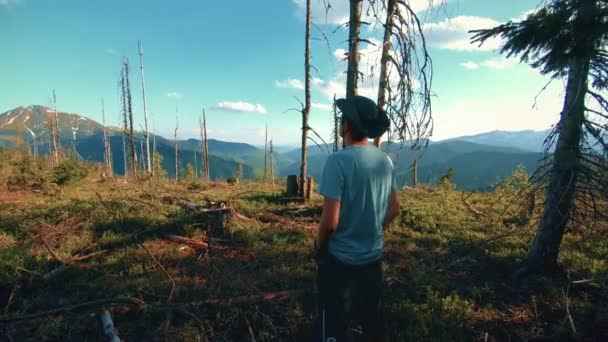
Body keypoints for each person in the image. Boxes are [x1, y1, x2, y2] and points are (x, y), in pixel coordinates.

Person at [315, 95, 400, 341]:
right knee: (373, 323)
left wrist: (319, 248)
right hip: (373, 258)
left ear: (347, 126)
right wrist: (371, 227)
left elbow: (329, 224)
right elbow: (394, 209)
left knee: (332, 321)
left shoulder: (338, 161)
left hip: (340, 260)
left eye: (342, 121)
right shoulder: (384, 160)